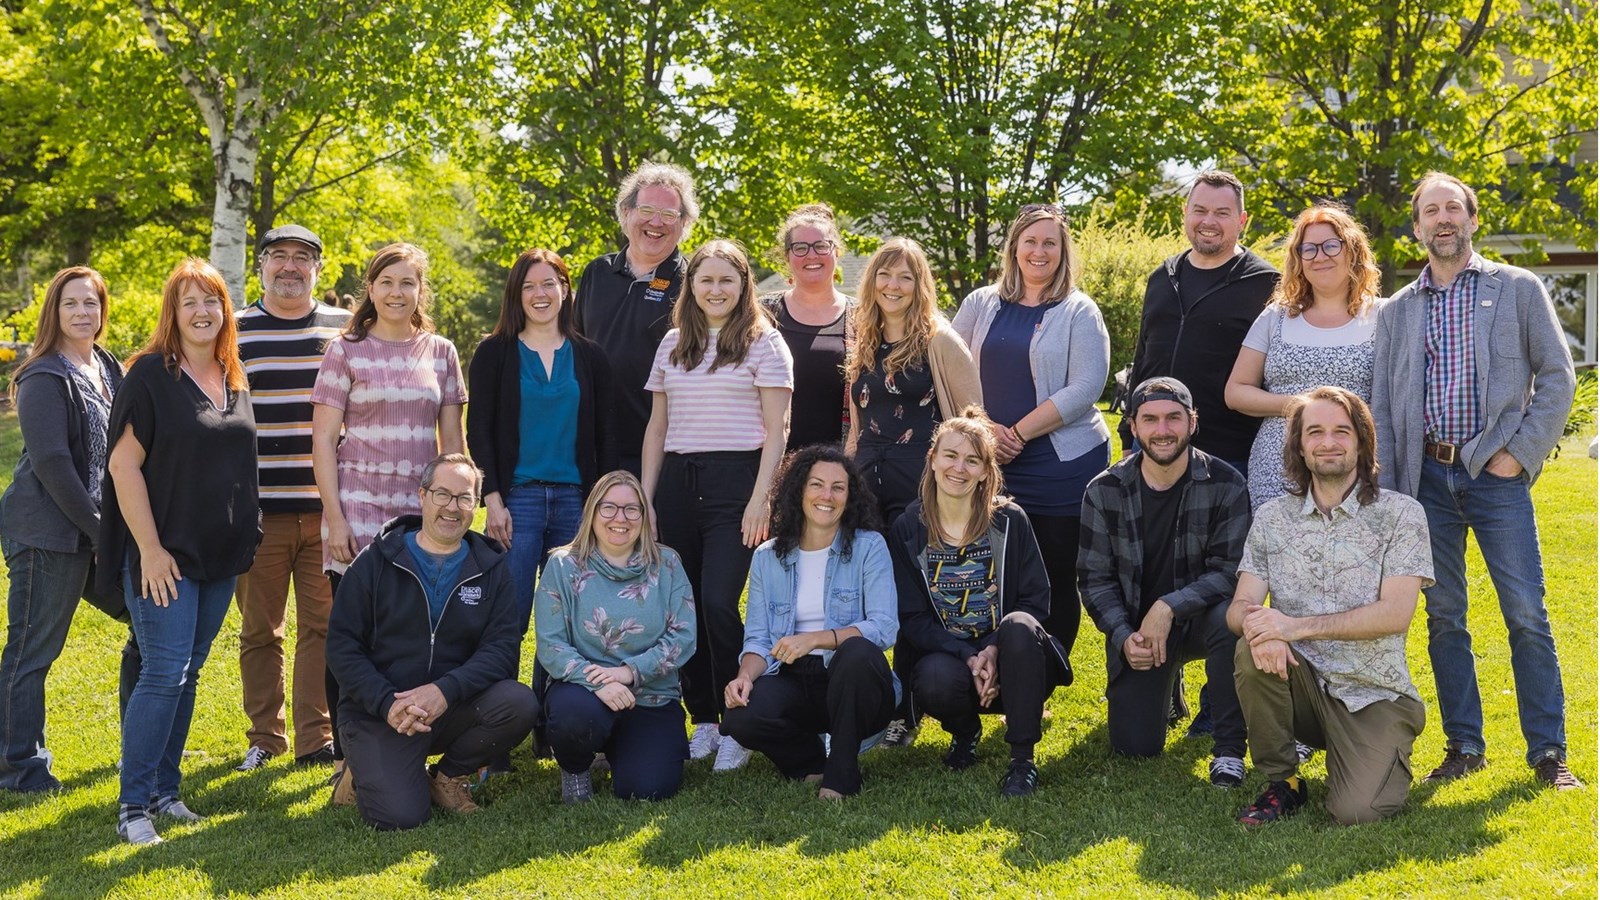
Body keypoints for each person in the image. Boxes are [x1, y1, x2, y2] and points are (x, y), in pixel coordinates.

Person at [1371, 172, 1580, 790]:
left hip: (1495, 477)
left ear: (1471, 219)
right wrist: (1395, 485)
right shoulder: (1398, 310)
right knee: (1444, 616)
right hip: (1425, 481)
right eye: (1430, 211)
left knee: (1526, 612)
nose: (1443, 219)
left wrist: (1518, 454)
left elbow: (1557, 375)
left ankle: (1548, 752)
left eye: (1453, 209)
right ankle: (1464, 745)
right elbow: (1382, 404)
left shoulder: (1516, 288)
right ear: (1416, 228)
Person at [98, 259, 259, 844]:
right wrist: (149, 549)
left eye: (211, 301)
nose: (201, 312)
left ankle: (166, 792)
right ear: (173, 312)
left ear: (225, 311)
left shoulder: (233, 374)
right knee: (165, 670)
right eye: (189, 301)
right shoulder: (149, 375)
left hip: (219, 557)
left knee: (187, 672)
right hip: (163, 556)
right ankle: (133, 808)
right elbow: (123, 467)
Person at [1228, 387, 1433, 825]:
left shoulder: (1401, 515)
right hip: (1300, 685)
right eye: (1315, 432)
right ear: (1299, 446)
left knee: (1357, 811)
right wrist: (1261, 628)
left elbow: (1396, 614)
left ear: (1362, 442)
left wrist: (1292, 628)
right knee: (1251, 646)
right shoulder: (1272, 517)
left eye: (1342, 431)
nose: (1328, 442)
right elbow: (1239, 606)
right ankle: (1284, 781)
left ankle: (1375, 754)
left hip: (1374, 693)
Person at [1125, 170, 1279, 738]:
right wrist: (1131, 426)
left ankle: (1220, 703)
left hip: (1229, 452)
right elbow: (1145, 356)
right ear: (1185, 214)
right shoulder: (1162, 277)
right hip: (1154, 449)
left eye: (1221, 212)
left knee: (1230, 575)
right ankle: (1164, 681)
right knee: (1154, 563)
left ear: (1242, 221)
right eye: (1199, 210)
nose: (1208, 222)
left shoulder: (1266, 284)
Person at [311, 242, 467, 795]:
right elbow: (323, 442)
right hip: (356, 509)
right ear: (371, 290)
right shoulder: (344, 351)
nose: (397, 292)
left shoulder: (441, 353)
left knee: (414, 631)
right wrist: (334, 517)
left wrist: (457, 506)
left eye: (408, 283)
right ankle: (349, 760)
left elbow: (453, 446)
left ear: (421, 291)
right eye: (387, 282)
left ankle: (411, 741)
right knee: (352, 635)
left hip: (421, 516)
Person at [641, 239, 792, 771]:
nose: (716, 289)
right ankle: (703, 718)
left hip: (737, 485)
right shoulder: (673, 343)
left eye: (727, 279)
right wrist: (647, 500)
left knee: (719, 602)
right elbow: (657, 428)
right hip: (678, 484)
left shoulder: (764, 342)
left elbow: (778, 430)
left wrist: (761, 500)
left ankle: (737, 719)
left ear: (744, 285)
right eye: (705, 279)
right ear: (692, 286)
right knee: (684, 607)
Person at [325, 453, 538, 830]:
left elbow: (502, 651)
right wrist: (387, 703)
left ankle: (448, 776)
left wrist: (444, 691)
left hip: (451, 706)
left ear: (475, 505)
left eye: (464, 498)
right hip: (381, 713)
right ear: (422, 495)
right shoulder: (374, 561)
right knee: (402, 816)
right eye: (443, 494)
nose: (452, 507)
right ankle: (361, 773)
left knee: (518, 703)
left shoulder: (491, 568)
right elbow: (342, 647)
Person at [954, 203, 1110, 662]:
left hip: (1061, 465)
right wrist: (984, 429)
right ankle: (994, 667)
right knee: (991, 572)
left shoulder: (1079, 310)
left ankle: (1042, 676)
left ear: (1063, 251)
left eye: (1050, 243)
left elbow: (1086, 386)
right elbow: (950, 368)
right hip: (986, 463)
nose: (1039, 252)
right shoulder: (980, 303)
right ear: (1014, 247)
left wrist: (1017, 434)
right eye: (1030, 241)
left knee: (1054, 574)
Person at [888, 410, 1071, 797]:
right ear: (933, 459)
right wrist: (969, 656)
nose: (959, 468)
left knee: (1019, 626)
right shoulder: (909, 527)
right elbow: (912, 617)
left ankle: (1022, 761)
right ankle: (965, 731)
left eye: (972, 460)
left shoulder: (1010, 521)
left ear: (987, 471)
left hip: (1015, 661)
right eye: (951, 456)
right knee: (933, 678)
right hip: (951, 660)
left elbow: (1035, 599)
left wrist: (992, 648)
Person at [1078, 378, 1251, 787]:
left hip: (1202, 619)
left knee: (1233, 618)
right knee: (1134, 746)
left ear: (1192, 422)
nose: (1163, 430)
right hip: (1140, 630)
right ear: (1133, 426)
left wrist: (1169, 606)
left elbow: (1231, 571)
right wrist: (1123, 636)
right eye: (1150, 419)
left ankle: (1229, 748)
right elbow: (1094, 580)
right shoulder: (1103, 490)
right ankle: (1166, 684)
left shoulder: (1226, 484)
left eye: (1174, 418)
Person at [844, 237, 980, 748]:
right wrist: (845, 477)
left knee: (912, 596)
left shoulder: (940, 341)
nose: (893, 285)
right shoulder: (862, 338)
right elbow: (857, 423)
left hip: (919, 482)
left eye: (905, 276)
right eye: (884, 274)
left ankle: (908, 708)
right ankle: (867, 700)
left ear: (920, 284)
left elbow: (973, 422)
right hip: (866, 484)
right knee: (871, 593)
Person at [0, 267, 126, 794]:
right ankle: (20, 768)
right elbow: (53, 465)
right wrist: (101, 534)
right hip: (48, 534)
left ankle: (142, 744)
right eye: (70, 303)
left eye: (91, 303)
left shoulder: (106, 365)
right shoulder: (42, 376)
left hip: (98, 531)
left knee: (151, 626)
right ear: (54, 311)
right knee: (33, 650)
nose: (82, 312)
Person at [232, 225, 352, 772]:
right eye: (277, 256)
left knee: (323, 627)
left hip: (328, 510)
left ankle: (315, 738)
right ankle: (265, 736)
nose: (289, 266)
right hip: (257, 513)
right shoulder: (234, 329)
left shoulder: (344, 329)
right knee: (260, 629)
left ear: (317, 270)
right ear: (261, 266)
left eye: (301, 258)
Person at [721, 447, 898, 799]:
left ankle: (842, 773)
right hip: (793, 677)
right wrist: (744, 677)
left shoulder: (869, 547)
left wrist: (816, 638)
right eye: (817, 484)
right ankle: (810, 764)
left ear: (850, 496)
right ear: (799, 490)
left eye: (838, 487)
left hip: (856, 683)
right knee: (740, 718)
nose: (826, 496)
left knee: (857, 653)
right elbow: (758, 639)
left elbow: (884, 627)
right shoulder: (767, 556)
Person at [468, 248, 616, 631]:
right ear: (516, 294)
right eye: (529, 286)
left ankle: (552, 677)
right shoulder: (493, 353)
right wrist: (492, 500)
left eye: (549, 284)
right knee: (508, 618)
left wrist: (599, 506)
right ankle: (501, 676)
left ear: (565, 289)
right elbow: (478, 430)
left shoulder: (591, 356)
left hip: (575, 504)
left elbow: (607, 437)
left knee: (567, 622)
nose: (540, 294)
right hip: (517, 503)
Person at [536, 471, 697, 803]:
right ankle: (576, 767)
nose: (620, 518)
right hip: (583, 692)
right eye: (608, 507)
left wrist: (627, 673)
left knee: (647, 788)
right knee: (574, 718)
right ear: (592, 512)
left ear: (644, 515)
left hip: (650, 695)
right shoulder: (563, 566)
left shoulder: (667, 564)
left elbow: (684, 636)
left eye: (631, 509)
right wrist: (598, 682)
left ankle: (619, 748)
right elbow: (551, 645)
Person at [1225, 205, 1379, 510]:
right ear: (1298, 259)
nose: (1320, 256)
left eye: (1331, 245)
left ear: (1353, 251)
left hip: (1351, 466)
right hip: (1277, 467)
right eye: (1309, 249)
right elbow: (1236, 392)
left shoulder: (1381, 315)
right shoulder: (1276, 317)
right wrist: (1299, 406)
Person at [574, 162, 698, 475]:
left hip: (662, 452)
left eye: (669, 214)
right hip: (592, 445)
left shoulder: (693, 283)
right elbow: (572, 349)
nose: (656, 222)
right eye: (646, 210)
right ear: (626, 212)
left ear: (684, 223)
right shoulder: (597, 273)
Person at [759, 204, 854, 450]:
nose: (811, 255)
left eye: (821, 246)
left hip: (840, 466)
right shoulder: (762, 314)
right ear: (787, 256)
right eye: (800, 248)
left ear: (837, 251)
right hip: (771, 461)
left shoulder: (862, 317)